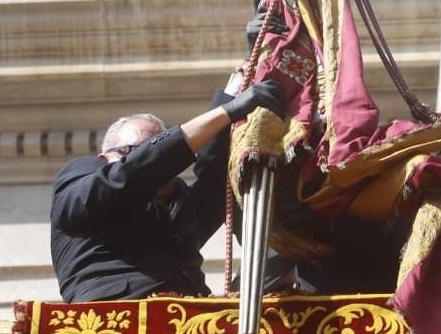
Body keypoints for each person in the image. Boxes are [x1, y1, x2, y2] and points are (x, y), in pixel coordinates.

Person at [50, 82, 284, 303]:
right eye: (133, 151)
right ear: (104, 159)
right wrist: (225, 112)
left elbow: (215, 173)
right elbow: (129, 176)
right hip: (114, 323)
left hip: (189, 327)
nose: (157, 161)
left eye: (159, 146)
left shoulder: (180, 210)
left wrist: (235, 92)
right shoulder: (80, 181)